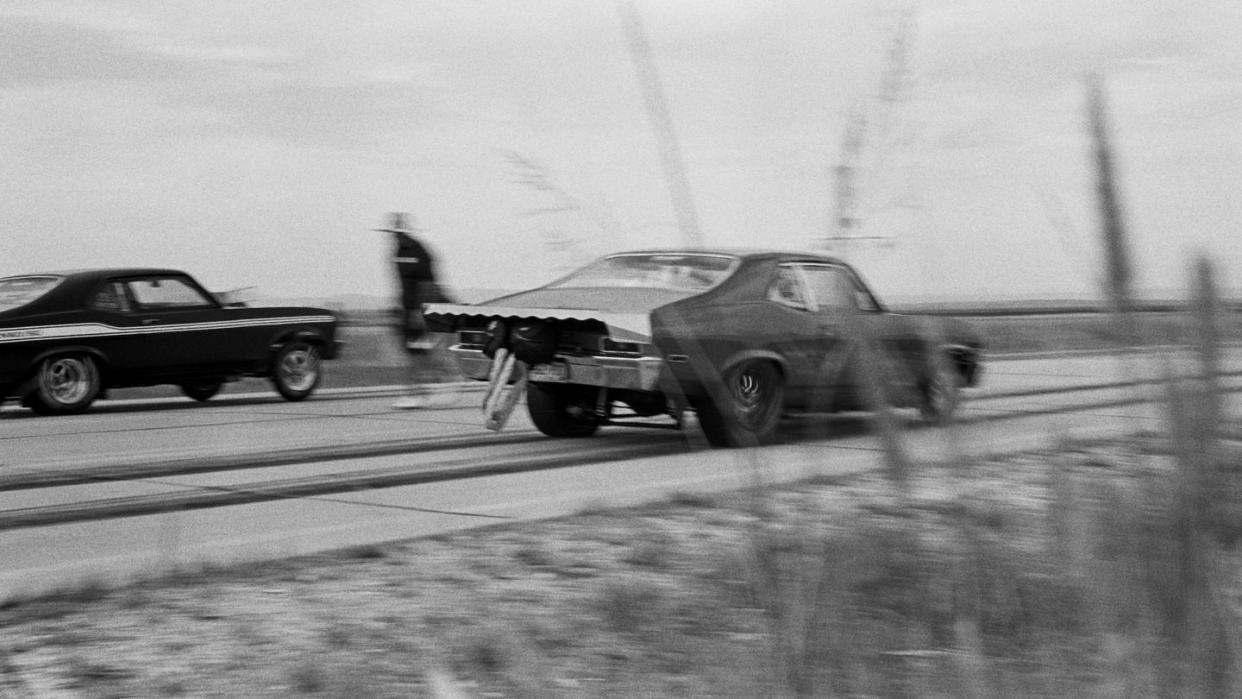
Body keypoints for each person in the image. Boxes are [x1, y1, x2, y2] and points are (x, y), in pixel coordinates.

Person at [375, 212, 455, 409]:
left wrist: (420, 312)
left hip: (422, 308)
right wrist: (398, 306)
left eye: (397, 232)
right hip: (407, 307)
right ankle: (435, 386)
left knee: (419, 351)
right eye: (392, 233)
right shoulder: (397, 252)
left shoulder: (421, 252)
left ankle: (422, 391)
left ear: (406, 232)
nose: (394, 236)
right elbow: (402, 284)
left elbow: (428, 283)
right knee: (415, 352)